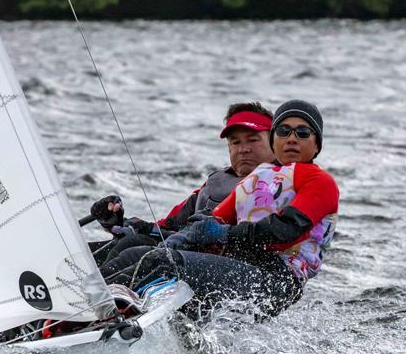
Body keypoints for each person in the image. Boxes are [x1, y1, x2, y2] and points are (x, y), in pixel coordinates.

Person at [99, 100, 339, 319]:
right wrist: (156, 234)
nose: (292, 138)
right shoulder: (255, 179)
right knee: (140, 253)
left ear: (317, 144)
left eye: (303, 132)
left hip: (276, 280)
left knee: (164, 262)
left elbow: (284, 232)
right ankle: (84, 303)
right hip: (240, 265)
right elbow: (204, 225)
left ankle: (105, 310)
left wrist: (222, 234)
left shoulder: (320, 181)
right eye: (284, 131)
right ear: (275, 139)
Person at [89, 101, 275, 264]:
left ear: (274, 142)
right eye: (235, 142)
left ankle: (103, 297)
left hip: (234, 271)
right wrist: (119, 224)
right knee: (125, 243)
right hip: (187, 260)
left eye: (253, 140)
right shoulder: (214, 185)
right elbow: (164, 228)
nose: (243, 149)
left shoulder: (284, 183)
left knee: (139, 254)